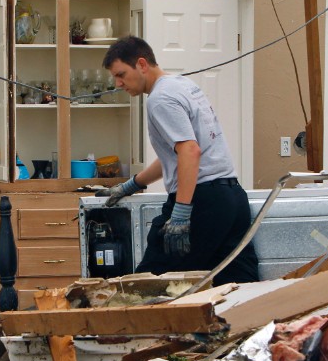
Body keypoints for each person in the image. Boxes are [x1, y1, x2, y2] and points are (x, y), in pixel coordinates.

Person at [96, 36, 259, 285]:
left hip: (201, 202)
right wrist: (133, 184)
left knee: (149, 285)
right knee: (236, 287)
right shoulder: (183, 86)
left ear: (141, 64)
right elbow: (179, 155)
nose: (118, 83)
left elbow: (189, 152)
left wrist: (181, 214)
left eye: (121, 74)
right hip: (232, 200)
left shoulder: (160, 99)